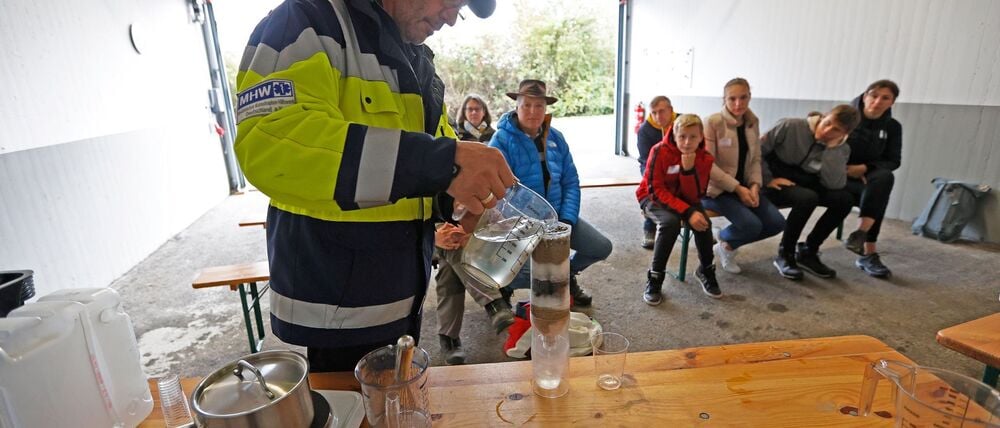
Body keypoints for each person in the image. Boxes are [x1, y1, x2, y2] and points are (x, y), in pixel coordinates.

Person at [234, 0, 516, 373]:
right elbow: (271, 143)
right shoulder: (306, 21)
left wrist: (459, 198)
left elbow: (425, 161)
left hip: (401, 299)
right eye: (452, 1)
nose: (451, 18)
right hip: (336, 310)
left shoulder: (416, 59)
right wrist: (442, 163)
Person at [489, 79, 613, 307]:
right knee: (534, 272)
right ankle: (506, 286)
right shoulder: (501, 141)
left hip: (557, 219)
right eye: (527, 105)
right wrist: (530, 225)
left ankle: (567, 275)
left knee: (602, 247)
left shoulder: (556, 138)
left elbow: (571, 181)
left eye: (539, 106)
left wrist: (566, 220)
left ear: (546, 109)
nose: (533, 111)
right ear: (516, 106)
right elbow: (499, 192)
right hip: (522, 225)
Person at [761, 105, 861, 280]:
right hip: (774, 179)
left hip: (805, 181)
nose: (827, 130)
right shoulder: (791, 126)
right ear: (823, 116)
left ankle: (809, 250)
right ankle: (786, 253)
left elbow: (834, 184)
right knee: (807, 198)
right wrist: (768, 179)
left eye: (836, 130)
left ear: (845, 134)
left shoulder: (842, 149)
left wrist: (831, 150)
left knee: (844, 199)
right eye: (827, 123)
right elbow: (756, 152)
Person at [702, 78, 785, 274]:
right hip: (715, 190)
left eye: (743, 98)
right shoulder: (712, 122)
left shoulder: (752, 122)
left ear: (750, 97)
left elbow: (755, 159)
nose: (738, 104)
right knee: (751, 225)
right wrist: (738, 189)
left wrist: (755, 186)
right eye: (732, 99)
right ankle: (726, 241)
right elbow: (708, 166)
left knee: (776, 223)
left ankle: (724, 243)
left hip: (745, 187)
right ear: (724, 99)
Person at [636, 114, 721, 303]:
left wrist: (688, 170)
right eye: (682, 136)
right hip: (653, 197)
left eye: (693, 137)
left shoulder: (705, 158)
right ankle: (655, 277)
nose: (687, 142)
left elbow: (695, 196)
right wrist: (688, 212)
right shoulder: (659, 151)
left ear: (701, 137)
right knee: (670, 223)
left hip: (686, 198)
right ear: (674, 134)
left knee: (704, 223)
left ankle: (706, 270)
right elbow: (655, 189)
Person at [432, 193, 514, 366]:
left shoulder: (479, 191)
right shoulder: (429, 189)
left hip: (488, 255)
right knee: (453, 249)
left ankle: (448, 338)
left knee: (450, 271)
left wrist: (476, 238)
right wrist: (434, 238)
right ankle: (494, 303)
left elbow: (505, 228)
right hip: (431, 242)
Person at [842, 80, 902, 278]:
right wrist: (843, 169)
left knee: (883, 181)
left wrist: (866, 169)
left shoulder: (893, 127)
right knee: (878, 193)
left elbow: (893, 160)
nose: (877, 101)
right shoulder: (845, 117)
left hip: (868, 177)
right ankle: (869, 250)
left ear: (892, 102)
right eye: (874, 95)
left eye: (885, 98)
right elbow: (826, 144)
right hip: (839, 174)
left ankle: (861, 237)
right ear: (864, 95)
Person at [636, 96, 677, 249]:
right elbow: (647, 160)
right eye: (654, 113)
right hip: (650, 166)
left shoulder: (681, 122)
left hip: (676, 165)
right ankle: (649, 229)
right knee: (653, 190)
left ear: (671, 110)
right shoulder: (645, 130)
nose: (658, 116)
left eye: (662, 111)